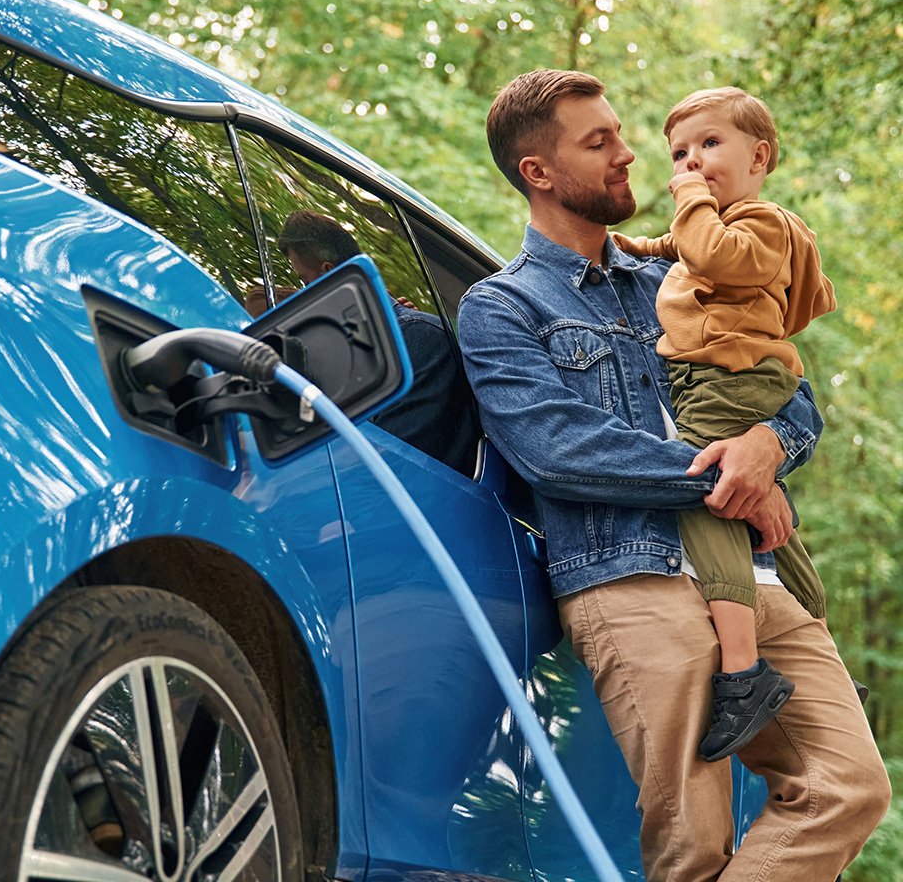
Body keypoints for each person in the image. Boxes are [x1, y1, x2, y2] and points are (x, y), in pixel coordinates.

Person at [456, 69, 889, 881]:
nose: (630, 156)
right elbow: (556, 448)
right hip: (630, 578)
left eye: (621, 134)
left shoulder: (679, 274)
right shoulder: (501, 307)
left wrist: (768, 443)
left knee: (850, 789)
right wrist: (729, 477)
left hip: (755, 573)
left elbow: (792, 395)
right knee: (692, 844)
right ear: (538, 173)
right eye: (600, 142)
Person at [610, 87, 838, 762]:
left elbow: (711, 253)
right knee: (756, 504)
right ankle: (817, 639)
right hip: (716, 380)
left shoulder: (762, 224)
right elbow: (682, 249)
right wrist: (634, 245)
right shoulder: (710, 222)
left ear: (759, 156)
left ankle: (743, 671)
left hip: (735, 379)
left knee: (699, 489)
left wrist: (687, 198)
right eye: (679, 153)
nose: (691, 163)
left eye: (710, 145)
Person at [274, 209, 479, 476]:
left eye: (304, 281)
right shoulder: (343, 356)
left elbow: (390, 469)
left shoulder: (416, 339)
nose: (304, 295)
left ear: (327, 274)